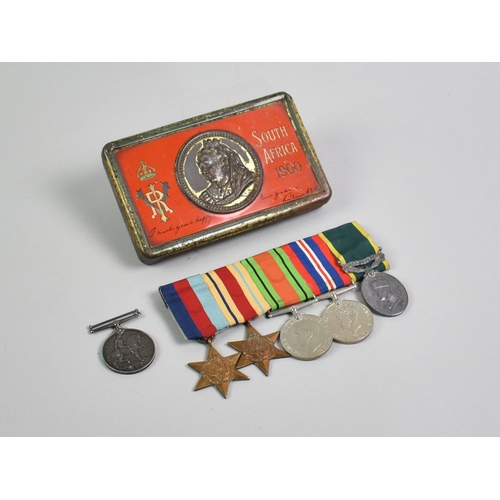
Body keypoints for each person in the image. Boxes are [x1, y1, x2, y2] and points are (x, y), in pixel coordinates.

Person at [196, 138, 254, 207]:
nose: (203, 171)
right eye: (202, 167)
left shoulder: (244, 180)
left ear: (222, 161)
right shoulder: (207, 196)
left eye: (207, 165)